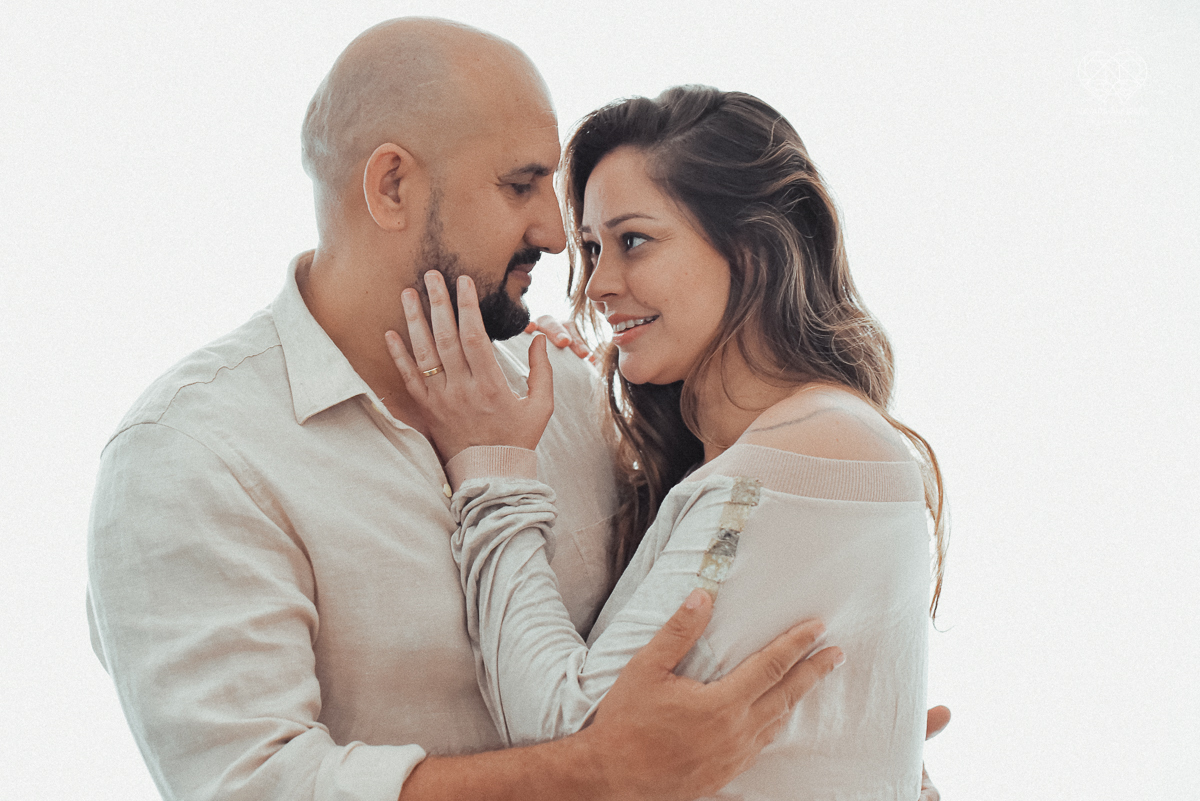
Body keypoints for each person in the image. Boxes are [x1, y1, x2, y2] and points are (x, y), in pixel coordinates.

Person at [85, 19, 849, 801]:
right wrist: (602, 774)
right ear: (391, 187)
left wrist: (834, 754)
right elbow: (257, 786)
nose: (557, 236)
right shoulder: (192, 455)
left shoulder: (571, 391)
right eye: (520, 186)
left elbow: (694, 649)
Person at [385, 85, 949, 799]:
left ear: (754, 247)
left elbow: (573, 734)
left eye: (634, 241)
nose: (597, 284)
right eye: (592, 248)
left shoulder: (811, 449)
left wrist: (491, 466)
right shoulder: (775, 450)